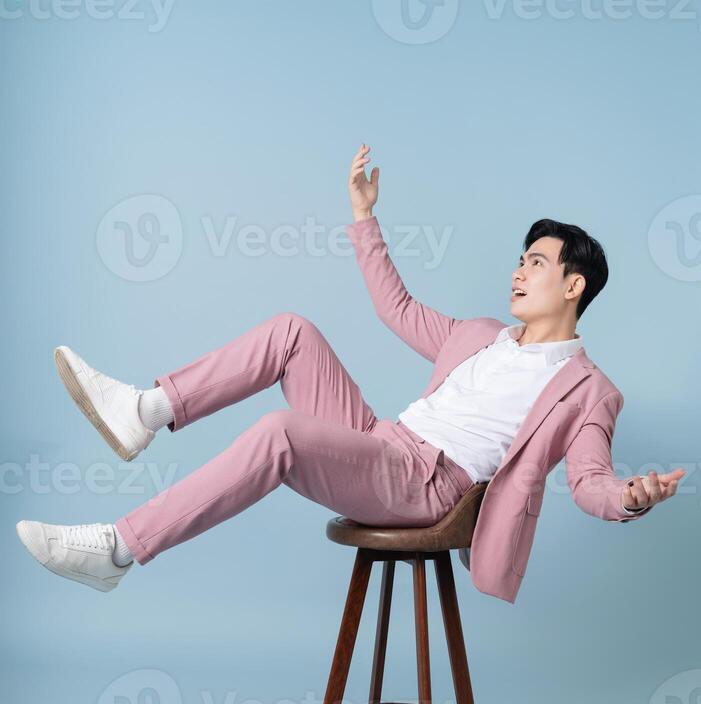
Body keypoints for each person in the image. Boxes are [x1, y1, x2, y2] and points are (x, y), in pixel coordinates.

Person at [16, 144, 684, 601]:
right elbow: (395, 308)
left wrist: (631, 497)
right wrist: (364, 216)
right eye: (519, 258)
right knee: (290, 331)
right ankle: (144, 412)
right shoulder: (479, 335)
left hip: (427, 484)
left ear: (573, 286)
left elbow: (591, 482)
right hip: (380, 443)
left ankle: (119, 549)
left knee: (280, 432)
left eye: (535, 263)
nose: (517, 270)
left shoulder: (588, 389)